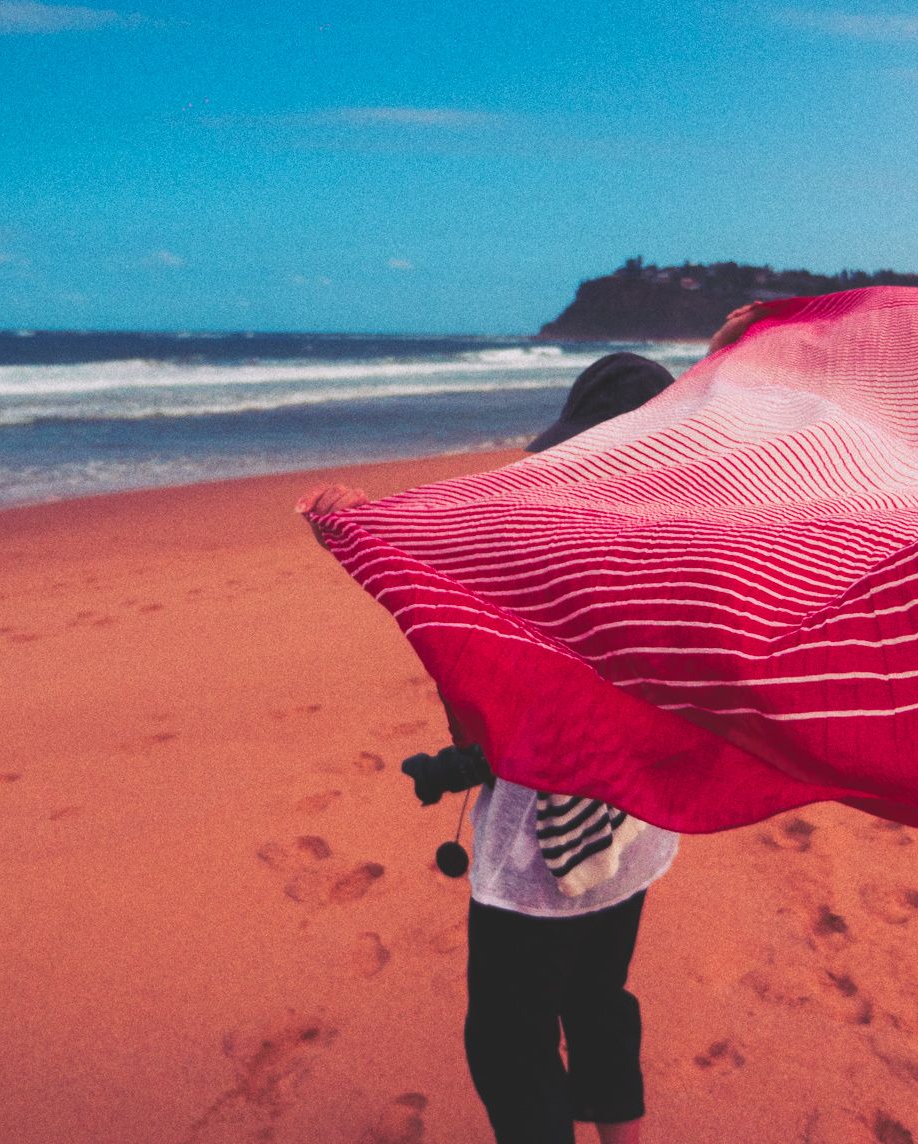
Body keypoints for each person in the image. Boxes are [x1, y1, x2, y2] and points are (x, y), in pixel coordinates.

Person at [294, 302, 773, 1144]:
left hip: (536, 850)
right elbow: (749, 449)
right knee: (598, 1001)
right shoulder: (693, 552)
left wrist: (356, 528)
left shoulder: (550, 549)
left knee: (510, 1041)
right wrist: (737, 357)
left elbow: (458, 616)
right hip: (635, 831)